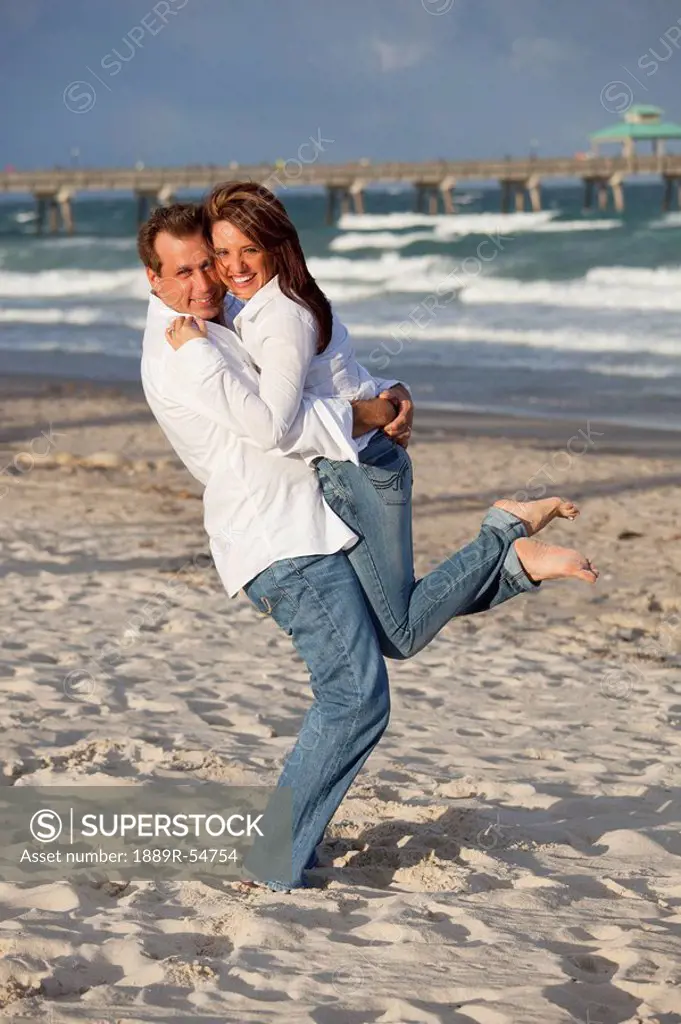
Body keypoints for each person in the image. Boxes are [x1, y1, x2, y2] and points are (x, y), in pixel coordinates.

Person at [140, 203, 597, 892]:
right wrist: (369, 413)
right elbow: (273, 428)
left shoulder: (220, 321)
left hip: (310, 521)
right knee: (355, 696)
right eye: (186, 270)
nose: (207, 279)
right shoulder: (186, 351)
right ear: (153, 279)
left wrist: (380, 396)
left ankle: (292, 845)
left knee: (391, 639)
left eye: (211, 261)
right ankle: (274, 857)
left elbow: (310, 373)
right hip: (278, 542)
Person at [167, 182, 596, 661]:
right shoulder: (270, 305)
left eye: (250, 249)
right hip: (358, 468)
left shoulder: (280, 318)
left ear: (276, 245)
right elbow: (342, 377)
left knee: (400, 633)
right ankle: (514, 562)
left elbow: (273, 428)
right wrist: (390, 392)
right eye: (222, 252)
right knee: (392, 624)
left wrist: (197, 355)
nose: (234, 266)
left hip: (366, 471)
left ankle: (504, 539)